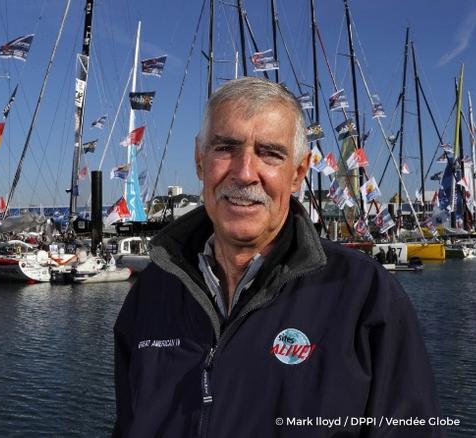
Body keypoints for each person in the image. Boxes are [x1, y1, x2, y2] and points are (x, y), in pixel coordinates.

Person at [113, 77, 444, 437]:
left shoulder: (364, 295)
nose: (244, 173)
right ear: (199, 160)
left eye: (269, 153)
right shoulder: (152, 292)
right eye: (225, 147)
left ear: (298, 172)